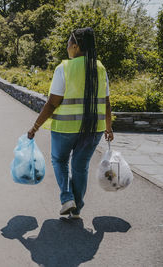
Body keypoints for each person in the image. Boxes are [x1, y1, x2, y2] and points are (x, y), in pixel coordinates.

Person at [27, 27, 113, 219]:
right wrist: (109, 127)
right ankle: (77, 208)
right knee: (80, 166)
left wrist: (35, 127)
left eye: (68, 44)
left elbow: (51, 104)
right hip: (94, 128)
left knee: (59, 160)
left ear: (75, 46)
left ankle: (67, 198)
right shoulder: (100, 68)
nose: (67, 48)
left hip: (65, 128)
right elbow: (106, 102)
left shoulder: (64, 68)